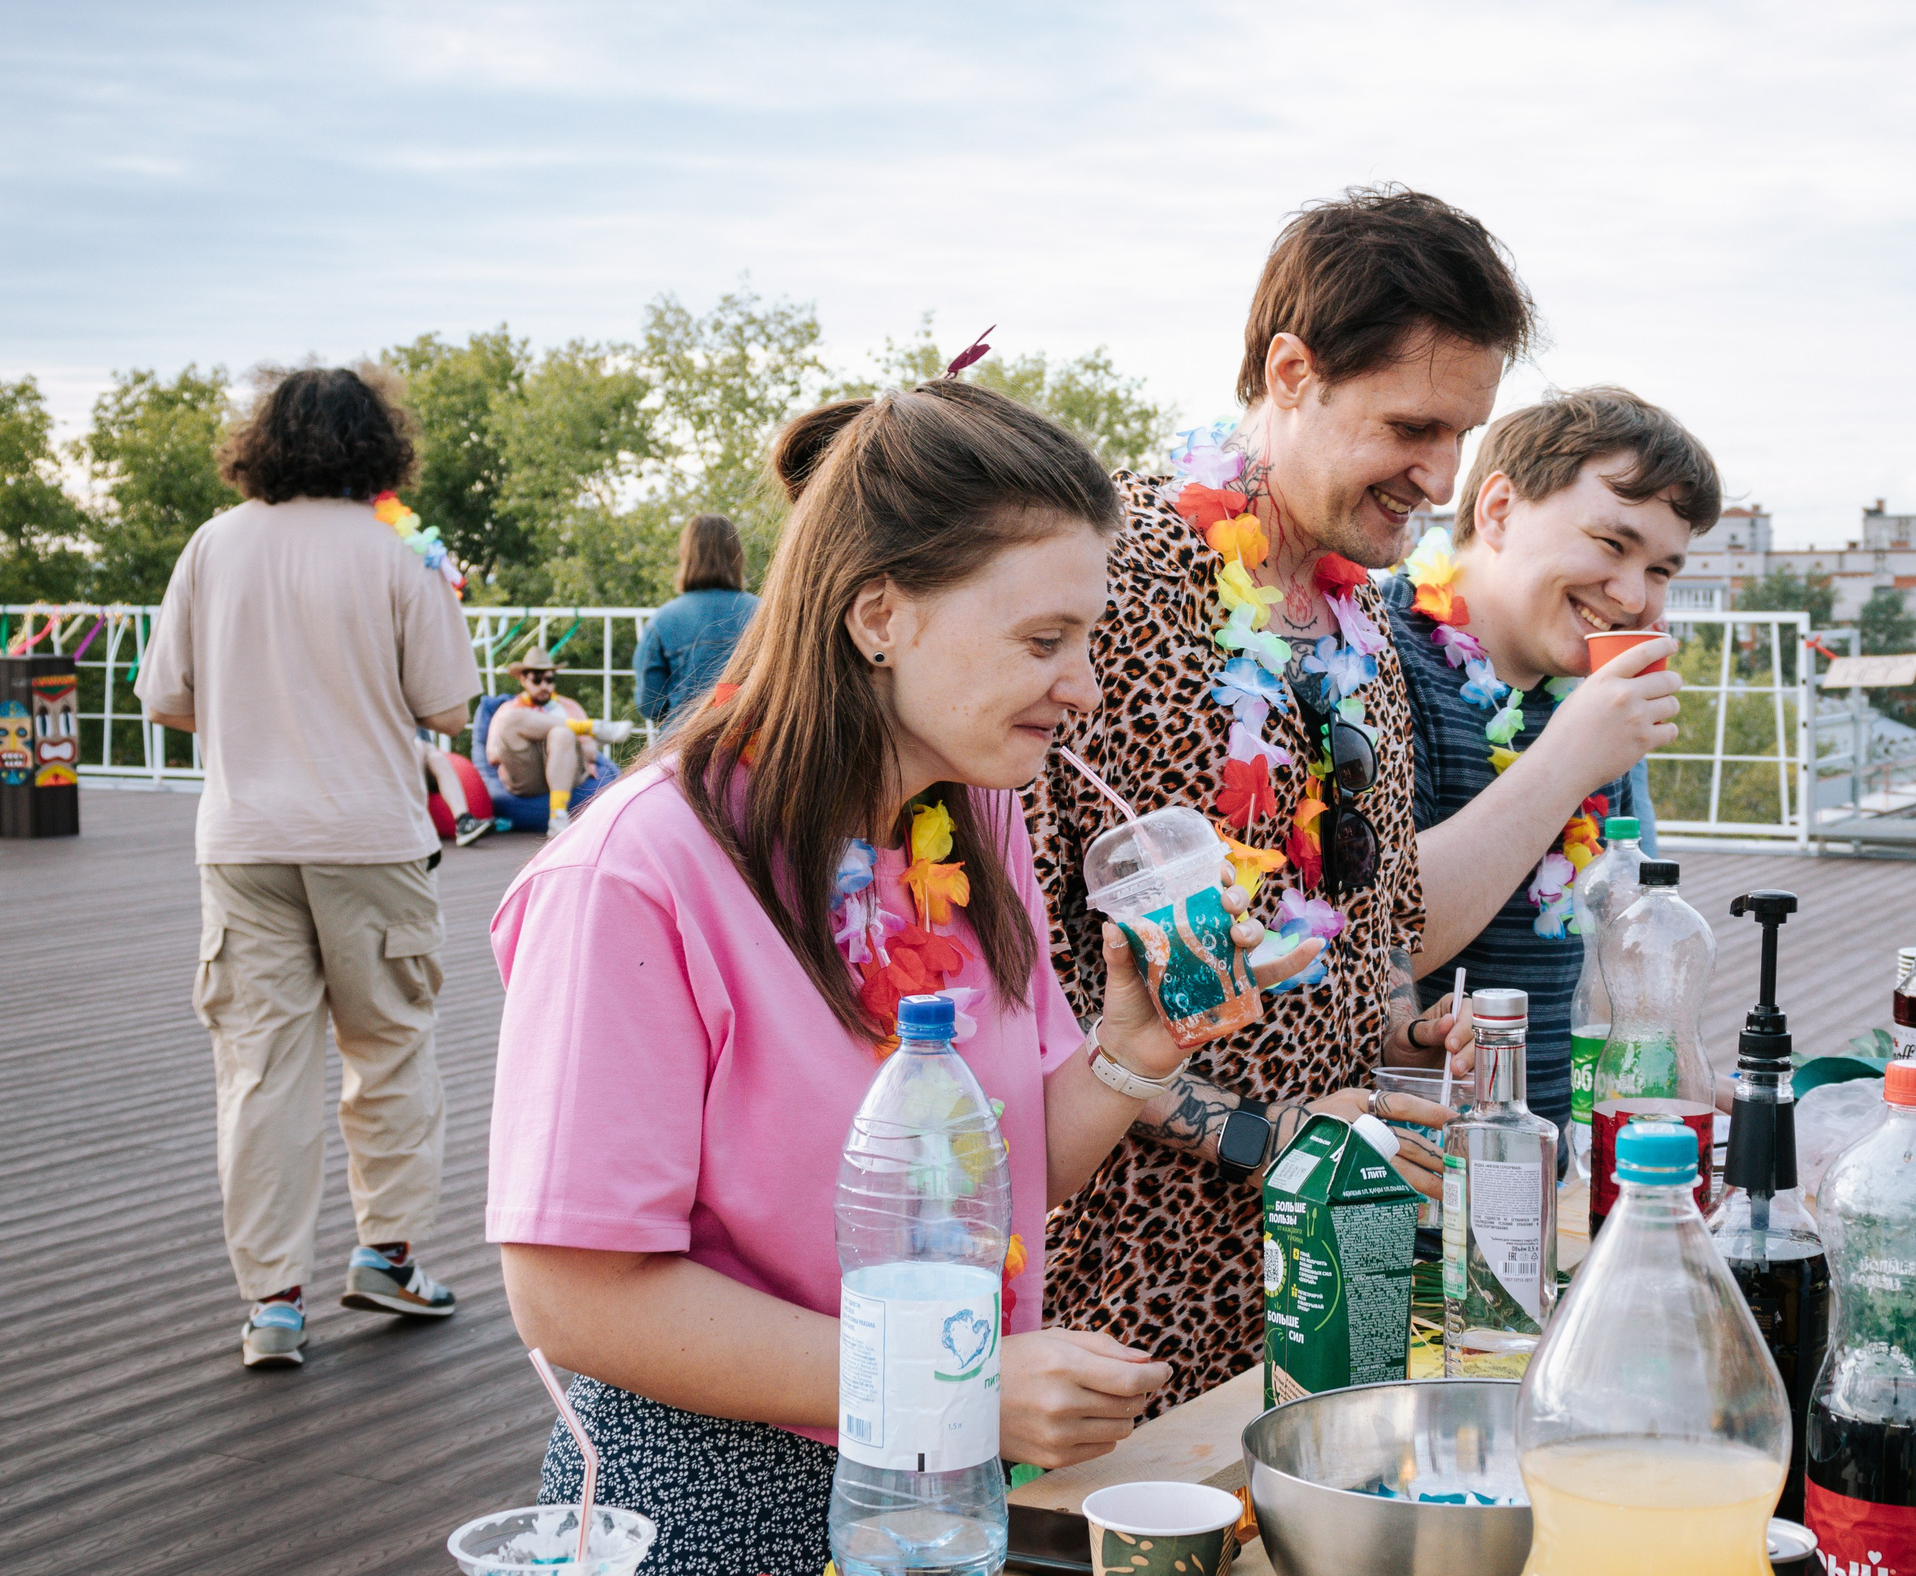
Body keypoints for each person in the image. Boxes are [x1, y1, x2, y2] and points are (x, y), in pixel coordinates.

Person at [486, 381, 1308, 1576]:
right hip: (717, 1502)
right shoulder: (633, 875)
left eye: (1088, 639)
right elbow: (573, 1297)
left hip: (943, 1487)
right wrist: (952, 1380)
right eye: (1043, 641)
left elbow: (1008, 1171)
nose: (1082, 686)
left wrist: (1135, 1047)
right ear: (879, 614)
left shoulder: (973, 817)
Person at [1025, 185, 1542, 1409]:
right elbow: (1035, 982)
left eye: (1462, 434)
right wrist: (1270, 1132)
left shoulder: (1361, 614)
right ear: (1292, 371)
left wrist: (1402, 1037)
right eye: (1411, 425)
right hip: (1117, 1312)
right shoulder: (1117, 581)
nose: (1440, 475)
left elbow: (1361, 940)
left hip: (1320, 1286)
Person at [137, 364, 482, 1370]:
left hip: (243, 840)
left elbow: (166, 698)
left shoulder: (214, 543)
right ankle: (387, 1255)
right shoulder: (398, 553)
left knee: (259, 1074)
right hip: (369, 837)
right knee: (389, 1050)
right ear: (380, 445)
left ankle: (274, 1304)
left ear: (264, 441)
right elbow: (449, 706)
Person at [1384, 387, 1719, 1139]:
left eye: (1662, 569)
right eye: (1611, 543)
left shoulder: (1595, 693)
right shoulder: (1374, 654)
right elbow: (1382, 936)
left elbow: (1629, 957)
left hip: (1569, 1161)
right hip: (1418, 1179)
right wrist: (1569, 756)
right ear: (1498, 510)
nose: (1633, 595)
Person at [485, 646, 630, 835]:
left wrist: (556, 746)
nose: (544, 685)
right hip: (527, 773)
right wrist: (535, 735)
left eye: (549, 679)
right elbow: (493, 755)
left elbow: (591, 752)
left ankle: (558, 816)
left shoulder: (569, 706)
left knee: (561, 734)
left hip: (567, 771)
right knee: (512, 720)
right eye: (537, 680)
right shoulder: (509, 710)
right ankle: (592, 727)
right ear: (523, 679)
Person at [636, 512, 759, 726]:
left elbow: (649, 705)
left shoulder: (662, 621)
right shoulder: (765, 613)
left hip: (681, 745)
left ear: (686, 556)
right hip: (752, 744)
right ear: (737, 555)